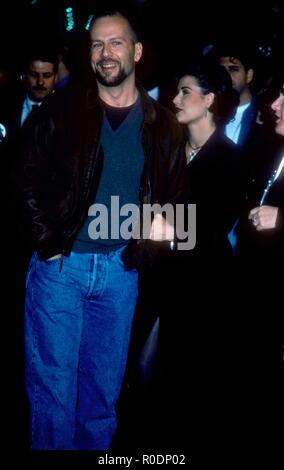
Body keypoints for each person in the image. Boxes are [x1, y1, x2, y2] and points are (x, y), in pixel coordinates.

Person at [20, 8, 187, 450]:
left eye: (115, 43)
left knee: (101, 398)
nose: (105, 53)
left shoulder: (163, 126)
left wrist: (150, 248)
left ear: (136, 51)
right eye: (96, 44)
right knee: (53, 395)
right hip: (61, 271)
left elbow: (174, 202)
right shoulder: (61, 109)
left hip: (119, 274)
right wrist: (46, 241)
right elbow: (23, 174)